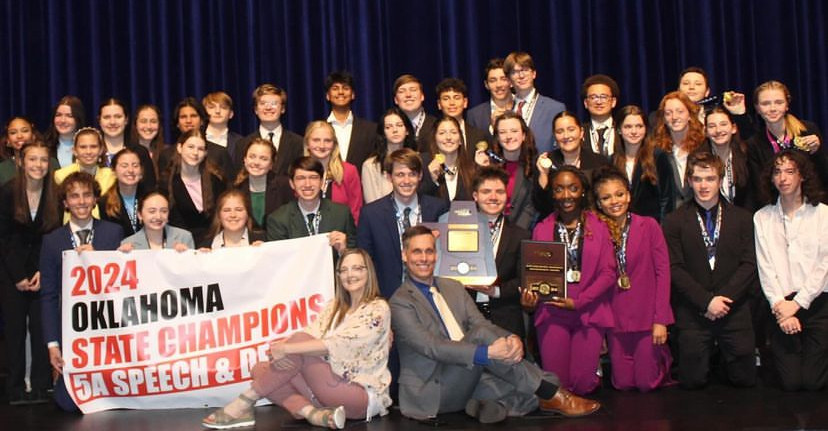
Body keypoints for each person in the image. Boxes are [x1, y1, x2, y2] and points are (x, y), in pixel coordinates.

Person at [391, 225, 600, 422]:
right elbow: (433, 347)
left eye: (429, 251)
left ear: (436, 254)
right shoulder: (400, 302)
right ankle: (551, 390)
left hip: (467, 376)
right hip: (432, 390)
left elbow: (481, 323)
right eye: (417, 252)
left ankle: (489, 405)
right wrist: (488, 353)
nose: (424, 258)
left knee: (517, 386)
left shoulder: (453, 287)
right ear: (404, 255)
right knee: (486, 340)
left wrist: (511, 338)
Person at [202, 248, 392, 429]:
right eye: (344, 270)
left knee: (298, 345)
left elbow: (339, 344)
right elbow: (310, 334)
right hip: (324, 391)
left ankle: (244, 402)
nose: (350, 275)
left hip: (358, 395)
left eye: (357, 268)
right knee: (260, 369)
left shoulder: (378, 308)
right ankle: (314, 414)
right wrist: (282, 348)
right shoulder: (333, 307)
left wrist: (286, 349)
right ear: (338, 275)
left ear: (369, 272)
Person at [662, 152, 757, 389]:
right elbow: (674, 268)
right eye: (697, 179)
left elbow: (749, 265)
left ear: (720, 180)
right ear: (689, 181)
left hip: (733, 308)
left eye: (710, 178)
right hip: (694, 311)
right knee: (692, 382)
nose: (704, 185)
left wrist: (723, 301)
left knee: (745, 380)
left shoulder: (743, 218)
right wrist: (706, 302)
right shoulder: (674, 221)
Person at [522, 166, 616, 395]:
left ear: (583, 191)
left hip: (589, 310)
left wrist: (581, 301)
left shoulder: (600, 227)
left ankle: (593, 376)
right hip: (552, 311)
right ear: (552, 193)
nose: (566, 196)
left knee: (582, 385)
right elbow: (534, 274)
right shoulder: (541, 229)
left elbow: (609, 273)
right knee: (558, 386)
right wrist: (530, 299)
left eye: (573, 188)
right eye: (559, 189)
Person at [40, 171, 124, 411]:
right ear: (65, 203)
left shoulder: (113, 233)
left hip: (109, 329)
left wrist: (100, 259)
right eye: (74, 196)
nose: (82, 201)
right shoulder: (52, 241)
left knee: (116, 399)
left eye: (87, 195)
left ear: (95, 199)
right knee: (68, 404)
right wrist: (53, 345)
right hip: (72, 333)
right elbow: (48, 296)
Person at [591, 166, 674, 392]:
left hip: (647, 318)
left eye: (619, 194)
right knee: (623, 384)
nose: (614, 201)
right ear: (598, 203)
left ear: (628, 195)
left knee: (646, 383)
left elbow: (663, 273)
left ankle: (664, 358)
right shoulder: (595, 231)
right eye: (606, 198)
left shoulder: (649, 226)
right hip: (615, 318)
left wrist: (661, 320)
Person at [754, 150, 828, 391]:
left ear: (802, 176)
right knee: (792, 383)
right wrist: (781, 308)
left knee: (813, 383)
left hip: (817, 302)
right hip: (781, 305)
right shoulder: (762, 217)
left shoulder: (823, 214)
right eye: (777, 172)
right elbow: (766, 268)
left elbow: (824, 266)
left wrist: (798, 304)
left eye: (790, 171)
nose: (783, 178)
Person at [0, 141, 61, 405]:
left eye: (43, 160)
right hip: (9, 269)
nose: (38, 165)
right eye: (33, 159)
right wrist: (18, 275)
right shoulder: (6, 192)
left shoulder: (55, 194)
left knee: (40, 328)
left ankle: (40, 385)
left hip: (40, 270)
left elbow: (50, 238)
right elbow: (3, 238)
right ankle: (14, 388)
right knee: (14, 330)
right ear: (22, 162)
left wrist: (38, 271)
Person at [357, 148, 448, 299]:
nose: (406, 181)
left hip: (432, 298)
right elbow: (365, 262)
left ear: (420, 176)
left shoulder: (439, 209)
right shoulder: (371, 214)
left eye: (412, 174)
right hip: (387, 298)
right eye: (400, 175)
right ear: (388, 177)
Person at [469, 166, 531, 338]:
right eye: (486, 191)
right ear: (475, 196)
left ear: (506, 196)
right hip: (467, 317)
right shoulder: (459, 230)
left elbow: (523, 279)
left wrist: (495, 291)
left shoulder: (521, 235)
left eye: (499, 192)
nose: (493, 197)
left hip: (506, 319)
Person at [747, 80, 828, 203]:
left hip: (814, 204)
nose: (772, 108)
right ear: (757, 108)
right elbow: (760, 188)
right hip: (777, 208)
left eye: (779, 102)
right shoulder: (754, 144)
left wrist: (817, 152)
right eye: (766, 103)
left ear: (787, 105)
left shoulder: (807, 130)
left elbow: (824, 175)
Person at [266, 157, 354, 255]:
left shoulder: (342, 214)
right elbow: (279, 262)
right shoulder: (278, 219)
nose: (307, 184)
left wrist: (344, 250)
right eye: (301, 178)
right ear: (292, 183)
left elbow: (356, 257)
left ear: (321, 182)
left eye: (313, 177)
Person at [533, 111, 610, 218]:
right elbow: (541, 205)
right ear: (555, 136)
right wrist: (544, 174)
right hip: (555, 223)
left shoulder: (599, 162)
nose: (566, 136)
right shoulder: (545, 162)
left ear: (581, 132)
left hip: (593, 223)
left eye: (571, 130)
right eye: (560, 131)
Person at [476, 111, 538, 230]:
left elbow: (530, 208)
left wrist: (512, 234)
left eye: (514, 131)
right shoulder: (487, 163)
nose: (509, 136)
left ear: (524, 135)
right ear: (497, 138)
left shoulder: (534, 166)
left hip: (519, 233)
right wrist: (482, 169)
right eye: (503, 132)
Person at [612, 105, 675, 222]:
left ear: (646, 129)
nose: (634, 131)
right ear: (619, 129)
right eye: (628, 127)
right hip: (621, 227)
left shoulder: (658, 156)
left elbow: (667, 199)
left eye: (639, 126)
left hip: (652, 227)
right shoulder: (612, 161)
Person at [165, 128, 227, 245]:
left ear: (205, 153)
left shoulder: (216, 181)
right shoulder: (166, 182)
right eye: (191, 147)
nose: (195, 153)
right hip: (180, 246)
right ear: (179, 148)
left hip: (214, 244)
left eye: (200, 149)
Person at [502, 51, 566, 154]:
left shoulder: (554, 108)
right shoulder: (504, 111)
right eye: (515, 72)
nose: (521, 75)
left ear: (534, 74)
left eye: (525, 70)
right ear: (509, 80)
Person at [233, 84, 304, 176]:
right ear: (255, 109)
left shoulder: (298, 142)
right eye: (263, 103)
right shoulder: (242, 144)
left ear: (283, 109)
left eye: (274, 103)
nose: (268, 108)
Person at [157, 97, 235, 180]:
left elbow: (230, 186)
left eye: (193, 116)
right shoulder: (166, 155)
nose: (188, 120)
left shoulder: (219, 153)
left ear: (202, 121)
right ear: (177, 123)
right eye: (183, 117)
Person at [652, 91, 705, 210]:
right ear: (664, 119)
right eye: (668, 113)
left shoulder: (703, 147)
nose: (674, 117)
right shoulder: (657, 152)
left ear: (690, 115)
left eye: (680, 112)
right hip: (670, 219)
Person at [303, 121, 363, 222]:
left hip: (341, 234)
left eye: (327, 141)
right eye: (316, 140)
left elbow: (356, 211)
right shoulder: (299, 172)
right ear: (307, 143)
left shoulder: (349, 171)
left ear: (334, 144)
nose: (322, 146)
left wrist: (349, 235)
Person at [233, 137, 293, 235]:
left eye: (263, 159)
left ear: (271, 164)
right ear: (245, 159)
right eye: (252, 156)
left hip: (278, 242)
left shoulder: (284, 185)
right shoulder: (235, 188)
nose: (256, 163)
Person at [700, 106, 755, 210]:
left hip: (743, 218)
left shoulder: (746, 156)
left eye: (723, 124)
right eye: (712, 126)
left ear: (733, 128)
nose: (718, 130)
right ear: (705, 131)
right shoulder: (698, 160)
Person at [361, 107, 417, 203]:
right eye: (388, 127)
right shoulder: (371, 165)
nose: (395, 130)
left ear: (407, 130)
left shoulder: (418, 160)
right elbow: (373, 205)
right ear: (383, 133)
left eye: (399, 125)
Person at [97, 99, 156, 190]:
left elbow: (150, 188)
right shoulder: (91, 152)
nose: (112, 122)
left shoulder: (140, 152)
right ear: (99, 121)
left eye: (118, 116)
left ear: (126, 120)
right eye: (107, 117)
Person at [324, 71, 378, 170]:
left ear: (353, 95)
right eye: (335, 88)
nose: (340, 92)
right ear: (327, 95)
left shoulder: (371, 130)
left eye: (345, 88)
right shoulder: (318, 130)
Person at [420, 116, 476, 204]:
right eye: (442, 133)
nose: (448, 137)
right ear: (434, 138)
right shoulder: (423, 163)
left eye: (453, 132)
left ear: (461, 139)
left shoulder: (472, 166)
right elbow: (416, 198)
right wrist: (431, 180)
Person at [118, 192, 194, 251]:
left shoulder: (184, 237)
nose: (158, 216)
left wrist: (187, 255)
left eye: (164, 211)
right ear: (140, 215)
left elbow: (193, 269)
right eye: (152, 211)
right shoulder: (128, 243)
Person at [99, 148, 147, 236]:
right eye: (124, 166)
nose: (131, 170)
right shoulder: (105, 202)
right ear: (114, 171)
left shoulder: (151, 198)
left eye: (135, 166)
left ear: (141, 171)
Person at [54, 127, 116, 195]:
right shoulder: (61, 176)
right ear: (74, 151)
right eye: (83, 147)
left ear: (101, 150)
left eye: (93, 147)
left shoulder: (111, 176)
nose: (88, 152)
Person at [434, 77, 490, 149]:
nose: (452, 103)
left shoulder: (479, 136)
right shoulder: (430, 135)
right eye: (446, 98)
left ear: (465, 102)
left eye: (457, 98)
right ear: (439, 104)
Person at [0, 116, 57, 186]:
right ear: (8, 140)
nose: (19, 136)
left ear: (33, 136)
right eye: (13, 132)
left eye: (25, 131)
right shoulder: (2, 169)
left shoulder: (51, 163)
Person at [200, 189, 266, 249]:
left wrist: (265, 252)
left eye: (239, 210)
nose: (233, 215)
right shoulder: (205, 246)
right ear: (219, 215)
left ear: (247, 214)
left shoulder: (264, 241)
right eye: (227, 210)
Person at [467, 58, 514, 134]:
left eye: (503, 79)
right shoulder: (474, 116)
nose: (498, 85)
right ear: (486, 85)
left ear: (511, 81)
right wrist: (492, 128)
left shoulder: (523, 106)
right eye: (493, 80)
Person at [393, 74, 437, 152]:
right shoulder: (390, 128)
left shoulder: (437, 125)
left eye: (413, 90)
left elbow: (445, 154)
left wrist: (438, 162)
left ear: (422, 96)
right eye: (402, 91)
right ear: (396, 100)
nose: (408, 95)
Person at [581, 74, 620, 158]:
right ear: (586, 103)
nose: (599, 102)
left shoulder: (622, 129)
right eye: (593, 97)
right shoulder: (579, 132)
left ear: (613, 102)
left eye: (603, 97)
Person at [43, 95, 86, 168]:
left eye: (69, 116)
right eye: (58, 115)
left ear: (78, 119)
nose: (62, 120)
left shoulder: (89, 145)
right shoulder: (44, 145)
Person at [203, 91, 245, 164]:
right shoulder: (196, 139)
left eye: (223, 107)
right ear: (204, 112)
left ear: (231, 114)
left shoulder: (241, 142)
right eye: (212, 107)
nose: (217, 111)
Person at [129, 104, 165, 181]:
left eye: (153, 121)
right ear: (135, 124)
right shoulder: (127, 152)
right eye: (143, 121)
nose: (148, 126)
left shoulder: (167, 153)